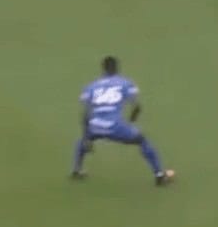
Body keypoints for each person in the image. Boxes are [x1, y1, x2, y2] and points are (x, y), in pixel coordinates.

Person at [71, 56, 175, 185]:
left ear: (103, 69)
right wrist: (132, 121)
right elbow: (137, 107)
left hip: (95, 126)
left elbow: (85, 114)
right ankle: (159, 175)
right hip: (115, 127)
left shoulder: (91, 86)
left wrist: (86, 138)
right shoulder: (125, 83)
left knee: (81, 141)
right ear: (117, 68)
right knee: (142, 140)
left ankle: (76, 170)